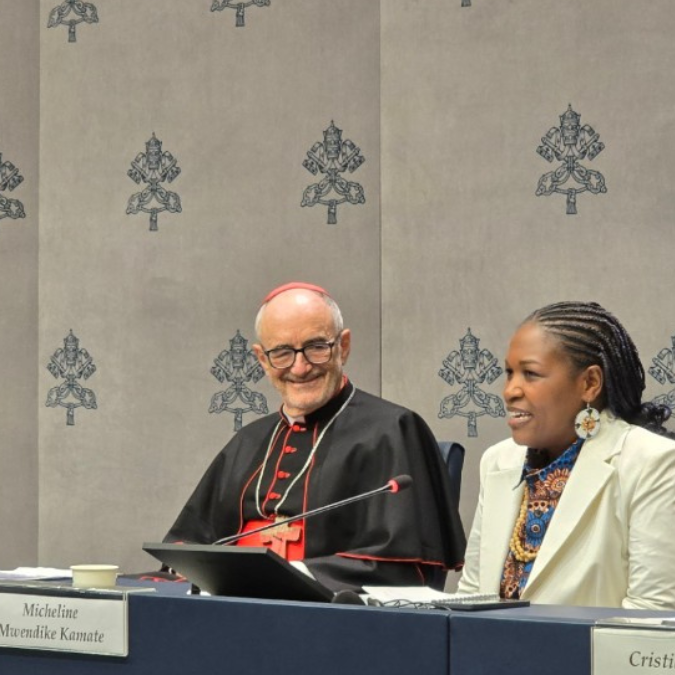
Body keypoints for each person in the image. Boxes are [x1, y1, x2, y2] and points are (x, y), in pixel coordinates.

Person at [165, 282, 465, 593]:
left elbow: (401, 566)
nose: (300, 367)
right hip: (230, 604)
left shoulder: (394, 429)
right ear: (262, 360)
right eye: (282, 352)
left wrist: (289, 574)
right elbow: (188, 545)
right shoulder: (248, 440)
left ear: (343, 346)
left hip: (329, 612)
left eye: (316, 347)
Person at [457, 301, 675, 610]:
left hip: (591, 645)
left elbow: (651, 614)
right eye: (509, 373)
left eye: (531, 374)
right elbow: (470, 596)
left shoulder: (652, 463)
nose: (510, 391)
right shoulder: (498, 460)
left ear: (590, 383)